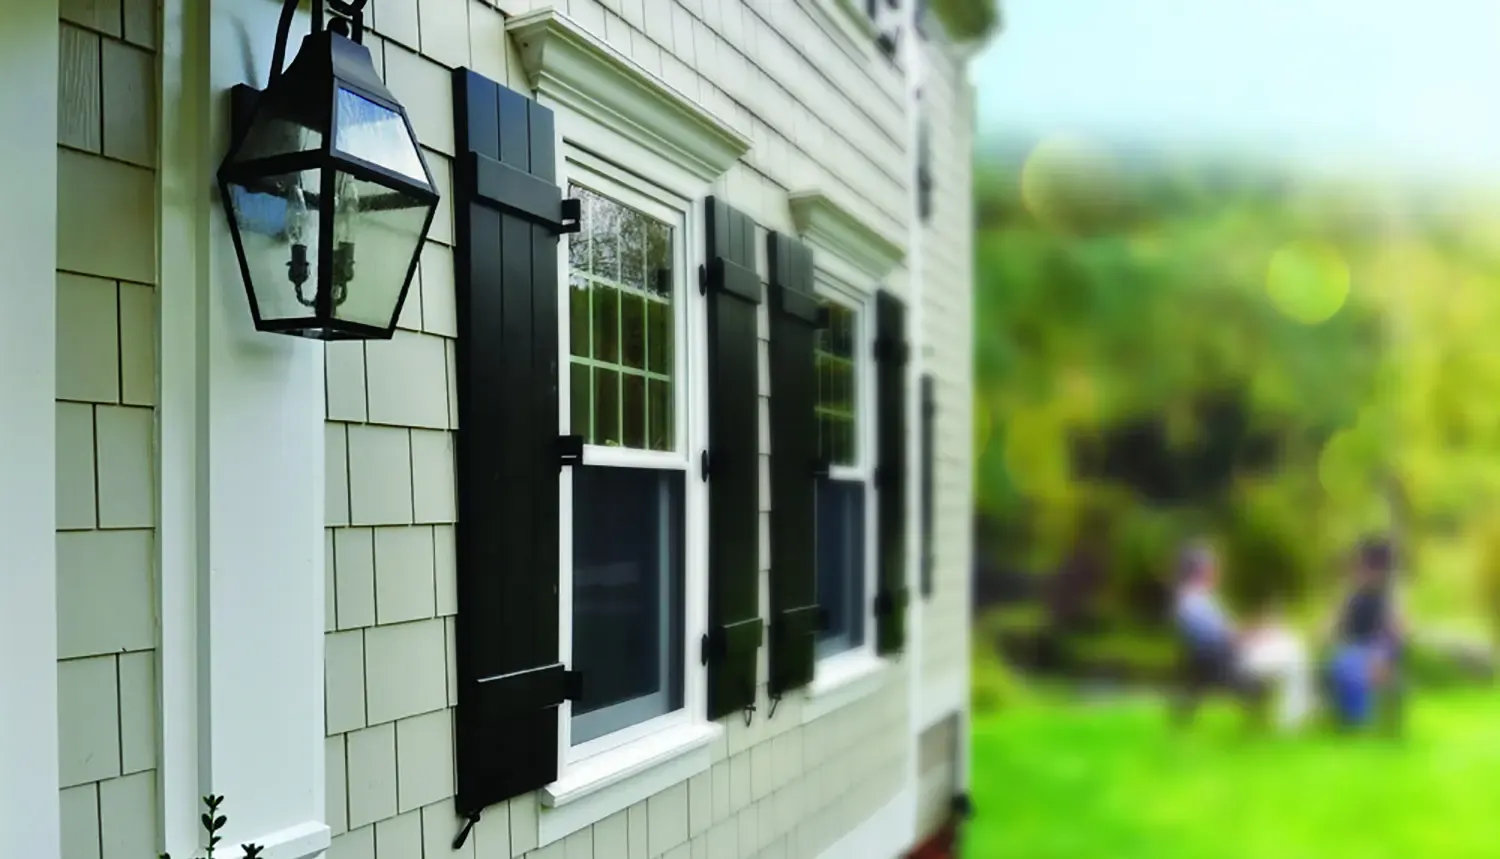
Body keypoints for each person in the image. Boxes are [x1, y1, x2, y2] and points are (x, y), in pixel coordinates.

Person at [1326, 536, 1405, 729]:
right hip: (1352, 648)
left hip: (1376, 648)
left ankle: (1358, 719)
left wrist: (1386, 652)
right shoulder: (1350, 596)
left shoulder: (1387, 597)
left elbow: (1398, 632)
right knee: (1347, 665)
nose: (1362, 573)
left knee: (1365, 666)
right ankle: (1355, 719)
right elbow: (1334, 624)